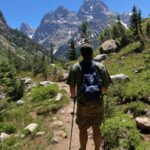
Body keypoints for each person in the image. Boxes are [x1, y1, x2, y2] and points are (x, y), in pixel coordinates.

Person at [67, 44, 112, 150]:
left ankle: (83, 148)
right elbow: (105, 88)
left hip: (83, 105)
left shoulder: (76, 67)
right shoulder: (100, 67)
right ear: (92, 54)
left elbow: (72, 89)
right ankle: (97, 148)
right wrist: (98, 93)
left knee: (82, 128)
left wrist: (74, 97)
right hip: (97, 103)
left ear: (81, 54)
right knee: (96, 127)